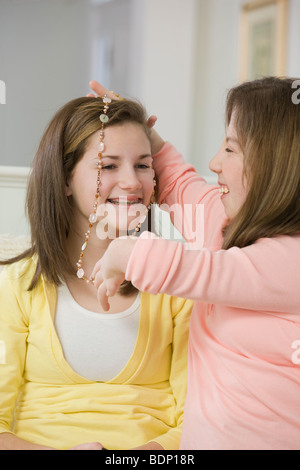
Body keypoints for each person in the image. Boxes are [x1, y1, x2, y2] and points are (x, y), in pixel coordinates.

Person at [90, 77, 300, 450]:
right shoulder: (220, 219)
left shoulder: (291, 261)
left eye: (231, 149)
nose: (214, 162)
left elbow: (203, 271)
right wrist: (145, 140)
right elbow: (179, 184)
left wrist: (126, 253)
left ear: (275, 164)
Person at [0, 96, 192, 450]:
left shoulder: (179, 286)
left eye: (143, 165)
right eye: (108, 166)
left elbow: (199, 421)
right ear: (65, 179)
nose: (132, 182)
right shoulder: (15, 287)